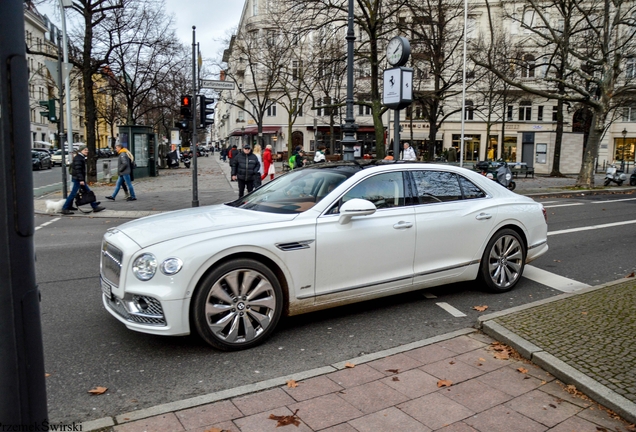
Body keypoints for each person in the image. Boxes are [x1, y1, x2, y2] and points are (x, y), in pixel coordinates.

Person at [61, 146, 105, 215]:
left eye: (87, 150)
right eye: (85, 150)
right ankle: (65, 208)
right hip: (78, 179)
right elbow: (78, 170)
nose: (87, 151)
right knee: (74, 193)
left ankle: (94, 206)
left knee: (86, 192)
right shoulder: (79, 158)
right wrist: (81, 180)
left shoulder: (80, 157)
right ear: (81, 151)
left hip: (78, 178)